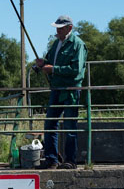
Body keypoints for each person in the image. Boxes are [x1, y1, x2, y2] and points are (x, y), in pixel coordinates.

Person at [35, 15, 88, 169]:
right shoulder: (56, 44)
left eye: (60, 28)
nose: (57, 31)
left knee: (70, 126)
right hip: (57, 89)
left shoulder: (78, 45)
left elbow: (76, 70)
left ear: (69, 28)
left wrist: (53, 69)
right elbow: (49, 62)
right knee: (50, 123)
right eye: (57, 28)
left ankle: (70, 161)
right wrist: (41, 65)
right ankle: (52, 160)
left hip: (71, 90)